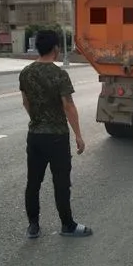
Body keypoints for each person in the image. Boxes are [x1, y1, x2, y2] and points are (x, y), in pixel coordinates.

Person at [19, 29, 93, 239]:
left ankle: (33, 226)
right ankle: (67, 225)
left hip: (35, 135)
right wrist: (78, 135)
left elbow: (26, 101)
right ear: (56, 49)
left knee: (33, 182)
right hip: (57, 137)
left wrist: (36, 119)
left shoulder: (26, 72)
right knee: (61, 182)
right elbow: (68, 106)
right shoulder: (59, 74)